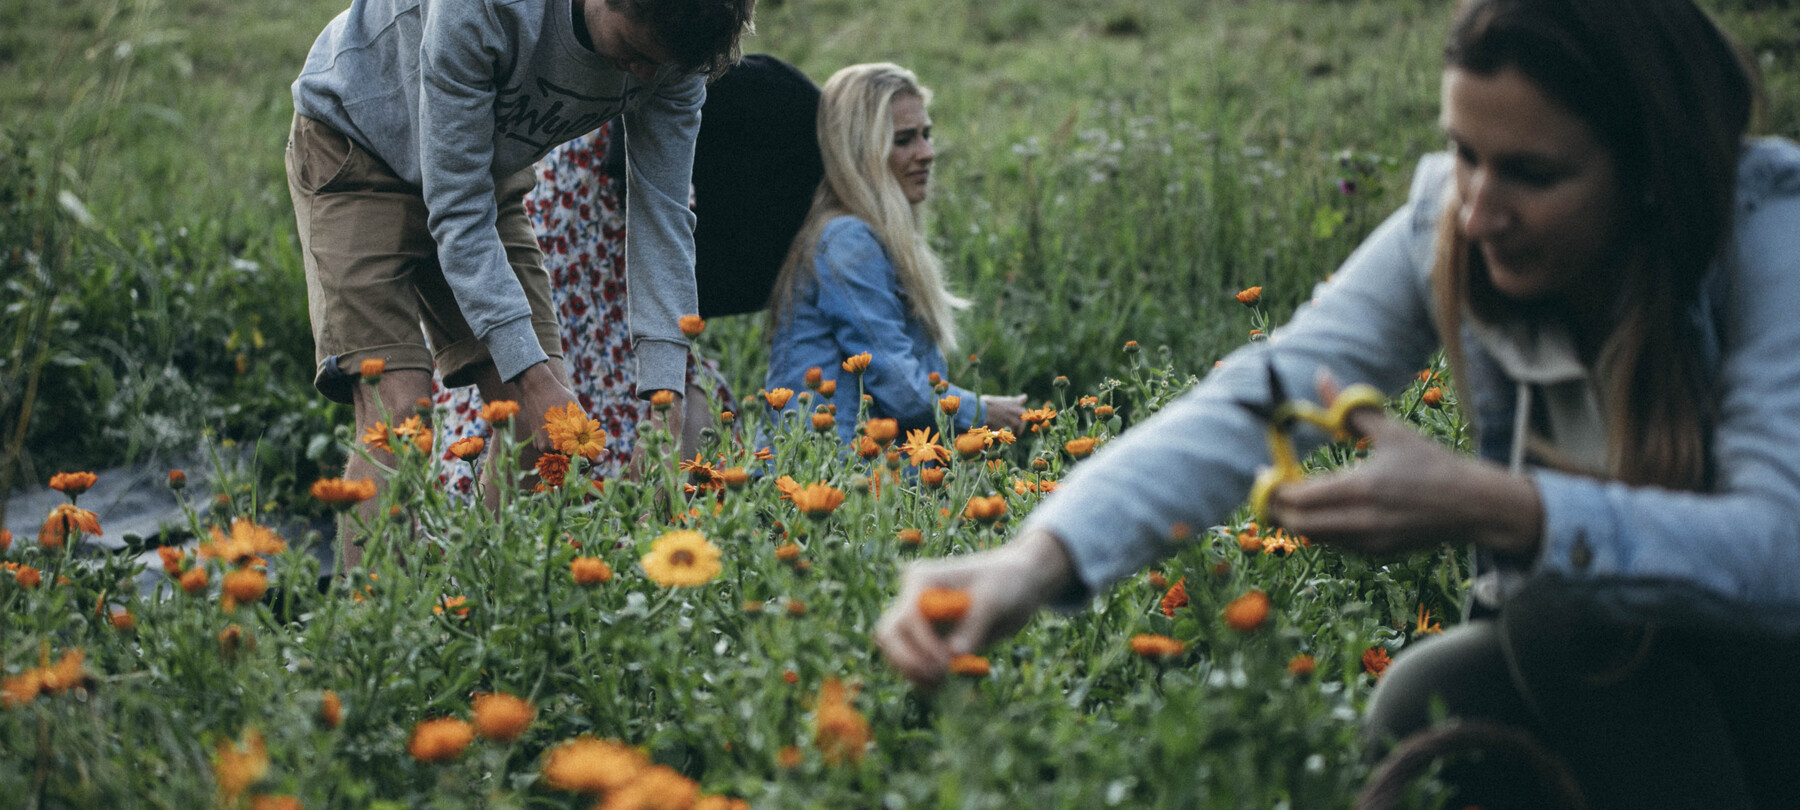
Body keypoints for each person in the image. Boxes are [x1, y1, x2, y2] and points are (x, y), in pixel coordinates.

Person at [874, 0, 1800, 805]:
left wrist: (1506, 510)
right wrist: (1033, 562)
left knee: (1562, 609)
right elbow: (1261, 393)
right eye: (1463, 152)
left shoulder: (1766, 237)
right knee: (1424, 703)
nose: (1478, 209)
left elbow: (1779, 549)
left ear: (1649, 166)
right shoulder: (1450, 228)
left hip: (1766, 661)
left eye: (1532, 173)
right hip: (1608, 656)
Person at [285, 0, 755, 536]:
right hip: (357, 142)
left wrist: (666, 407)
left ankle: (480, 605)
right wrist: (531, 378)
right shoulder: (487, 8)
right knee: (399, 417)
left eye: (664, 64)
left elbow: (662, 223)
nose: (647, 74)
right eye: (636, 51)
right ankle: (374, 617)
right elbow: (457, 213)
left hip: (479, 170)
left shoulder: (673, 57)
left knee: (538, 430)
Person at [431, 54, 823, 491]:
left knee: (545, 431)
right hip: (579, 288)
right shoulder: (650, 82)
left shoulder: (586, 72)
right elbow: (664, 229)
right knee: (614, 434)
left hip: (561, 277)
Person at [763, 63, 1026, 445]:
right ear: (860, 151)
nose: (927, 153)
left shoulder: (870, 236)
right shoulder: (846, 239)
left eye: (926, 135)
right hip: (826, 477)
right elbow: (898, 385)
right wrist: (984, 413)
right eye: (904, 140)